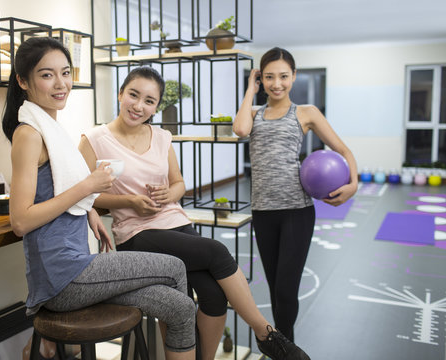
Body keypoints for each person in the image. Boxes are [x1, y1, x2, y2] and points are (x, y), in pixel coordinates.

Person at [78, 66, 310, 360]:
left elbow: (179, 184)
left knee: (213, 296)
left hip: (175, 222)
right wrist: (129, 202)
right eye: (133, 95)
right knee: (216, 251)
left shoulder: (162, 137)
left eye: (149, 101)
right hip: (137, 233)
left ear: (156, 106)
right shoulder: (94, 139)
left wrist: (169, 195)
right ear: (121, 93)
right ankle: (266, 333)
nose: (138, 106)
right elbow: (82, 193)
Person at [2, 37, 196, 360]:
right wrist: (87, 187)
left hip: (76, 267)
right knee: (176, 268)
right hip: (65, 278)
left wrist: (88, 209)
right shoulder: (29, 134)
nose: (61, 83)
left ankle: (53, 345)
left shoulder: (50, 126)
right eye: (47, 75)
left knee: (181, 307)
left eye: (66, 73)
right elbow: (20, 221)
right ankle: (50, 342)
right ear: (23, 80)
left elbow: (54, 189)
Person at [233, 47, 358, 342]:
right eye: (269, 77)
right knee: (276, 287)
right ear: (260, 79)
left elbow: (343, 150)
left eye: (284, 76)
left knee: (286, 290)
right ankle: (284, 347)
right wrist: (250, 90)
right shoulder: (252, 113)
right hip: (263, 212)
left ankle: (285, 348)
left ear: (294, 77)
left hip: (296, 211)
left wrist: (353, 185)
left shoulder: (306, 113)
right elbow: (240, 130)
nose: (277, 84)